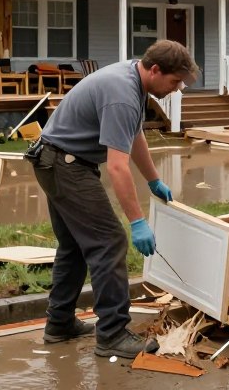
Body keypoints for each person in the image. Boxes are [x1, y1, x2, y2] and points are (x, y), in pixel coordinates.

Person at [25, 40, 199, 358]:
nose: (176, 89)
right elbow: (118, 167)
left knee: (75, 246)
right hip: (65, 165)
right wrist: (137, 222)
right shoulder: (122, 93)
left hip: (56, 160)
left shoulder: (133, 78)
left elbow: (134, 136)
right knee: (110, 241)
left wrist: (154, 180)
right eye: (174, 82)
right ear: (156, 70)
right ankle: (113, 334)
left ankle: (59, 323)